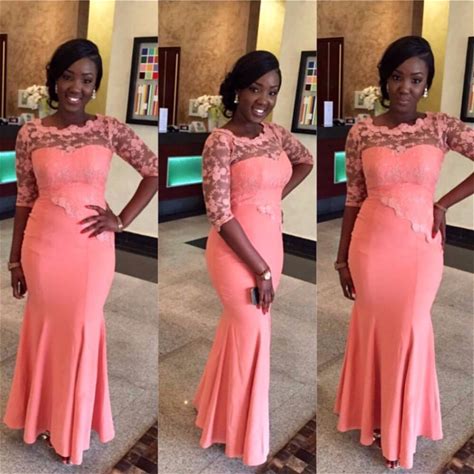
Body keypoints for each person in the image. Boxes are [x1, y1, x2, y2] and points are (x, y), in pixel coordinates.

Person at [3, 39, 158, 465]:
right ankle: (42, 418)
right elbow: (24, 198)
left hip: (92, 251)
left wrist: (121, 219)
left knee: (80, 330)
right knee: (45, 330)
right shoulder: (31, 133)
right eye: (68, 77)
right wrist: (15, 259)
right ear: (54, 81)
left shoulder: (108, 128)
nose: (77, 87)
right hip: (43, 248)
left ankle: (70, 428)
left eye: (87, 80)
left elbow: (152, 170)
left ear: (95, 86)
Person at [334, 36, 474, 470]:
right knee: (375, 330)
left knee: (410, 329)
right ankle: (375, 419)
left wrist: (443, 204)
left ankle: (401, 430)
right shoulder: (361, 131)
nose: (405, 88)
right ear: (385, 80)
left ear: (427, 84)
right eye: (397, 77)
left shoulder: (441, 126)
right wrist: (341, 258)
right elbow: (353, 197)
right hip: (371, 246)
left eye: (415, 79)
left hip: (420, 249)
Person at [193, 50, 314, 465]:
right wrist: (259, 269)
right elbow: (219, 213)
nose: (264, 99)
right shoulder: (220, 141)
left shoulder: (276, 134)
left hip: (270, 242)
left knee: (240, 331)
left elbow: (305, 161)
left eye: (273, 91)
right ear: (237, 90)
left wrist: (271, 197)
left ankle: (215, 412)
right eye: (255, 88)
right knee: (251, 331)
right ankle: (239, 433)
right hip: (236, 250)